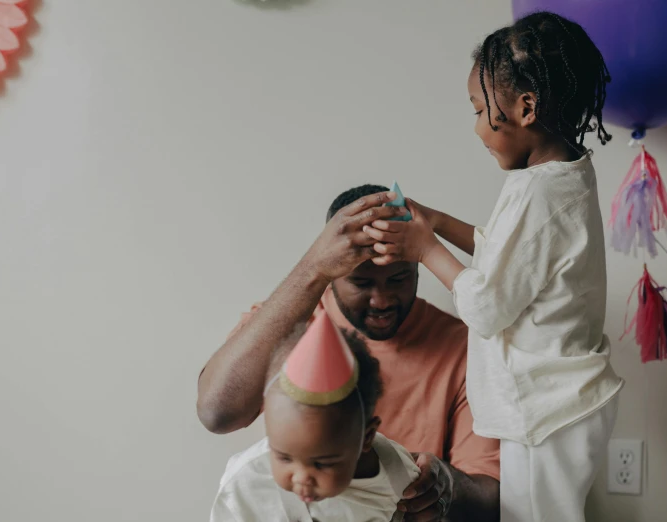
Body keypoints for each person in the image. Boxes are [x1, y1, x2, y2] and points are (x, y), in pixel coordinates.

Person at [362, 12, 624, 522]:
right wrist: (436, 223)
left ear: (525, 108)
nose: (477, 125)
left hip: (548, 408)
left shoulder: (539, 193)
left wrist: (424, 249)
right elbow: (509, 259)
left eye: (481, 109)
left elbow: (485, 306)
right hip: (560, 404)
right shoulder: (562, 176)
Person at [198, 187, 500, 521]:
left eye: (399, 278)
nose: (382, 300)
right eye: (361, 282)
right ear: (334, 270)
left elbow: (492, 497)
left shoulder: (465, 348)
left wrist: (447, 484)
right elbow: (217, 413)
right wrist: (312, 267)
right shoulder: (289, 325)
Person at [211, 312, 420, 521]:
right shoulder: (247, 483)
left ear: (366, 437)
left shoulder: (397, 474)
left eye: (321, 464)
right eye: (283, 457)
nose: (302, 479)